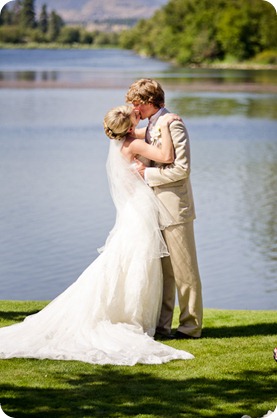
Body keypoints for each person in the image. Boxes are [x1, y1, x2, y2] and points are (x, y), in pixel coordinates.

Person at [0, 105, 194, 366]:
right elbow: (166, 154)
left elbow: (143, 132)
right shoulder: (133, 145)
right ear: (127, 126)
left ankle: (140, 315)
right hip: (140, 209)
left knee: (131, 260)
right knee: (138, 261)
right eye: (133, 113)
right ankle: (134, 316)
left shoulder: (124, 141)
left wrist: (154, 125)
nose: (136, 111)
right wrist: (167, 123)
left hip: (134, 209)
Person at [126, 78, 203, 340]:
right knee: (164, 273)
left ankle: (191, 327)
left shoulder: (174, 124)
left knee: (185, 272)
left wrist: (146, 174)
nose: (134, 107)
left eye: (136, 102)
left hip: (175, 207)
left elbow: (182, 169)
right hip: (152, 209)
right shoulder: (152, 124)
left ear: (148, 102)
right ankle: (162, 326)